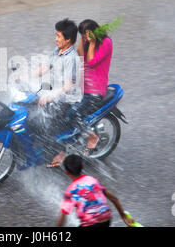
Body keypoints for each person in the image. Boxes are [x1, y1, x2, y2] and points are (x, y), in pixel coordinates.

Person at [27, 18, 81, 167]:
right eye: (56, 35)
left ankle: (60, 153)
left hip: (68, 99)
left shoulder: (72, 59)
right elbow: (44, 68)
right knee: (29, 109)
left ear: (68, 39)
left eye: (58, 36)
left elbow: (68, 86)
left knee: (43, 120)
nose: (55, 38)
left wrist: (49, 96)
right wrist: (25, 76)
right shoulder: (58, 51)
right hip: (54, 91)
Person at [55, 154, 134, 227]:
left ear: (66, 172)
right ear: (83, 166)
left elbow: (62, 216)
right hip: (106, 220)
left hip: (91, 224)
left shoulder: (70, 191)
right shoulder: (92, 180)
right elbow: (114, 198)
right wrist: (123, 215)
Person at [72, 19, 113, 155]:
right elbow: (79, 54)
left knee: (75, 114)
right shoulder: (86, 41)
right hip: (84, 87)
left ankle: (92, 138)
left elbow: (91, 62)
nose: (85, 38)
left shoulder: (105, 42)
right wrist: (83, 40)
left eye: (86, 35)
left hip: (95, 90)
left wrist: (92, 42)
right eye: (83, 35)